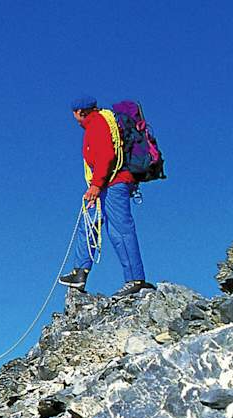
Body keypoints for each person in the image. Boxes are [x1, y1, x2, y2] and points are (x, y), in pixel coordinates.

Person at [57, 96, 155, 297]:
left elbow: (106, 155)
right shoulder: (99, 122)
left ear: (79, 112)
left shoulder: (97, 123)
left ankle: (135, 279)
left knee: (120, 230)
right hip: (106, 184)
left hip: (113, 184)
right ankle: (80, 272)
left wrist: (95, 185)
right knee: (88, 223)